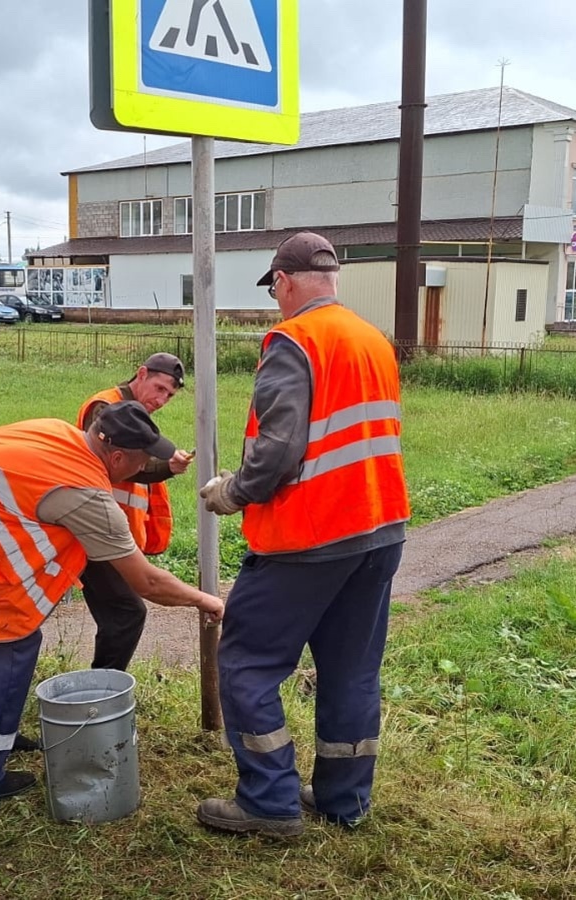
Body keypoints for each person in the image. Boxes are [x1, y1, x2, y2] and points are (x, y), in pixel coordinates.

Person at [0, 401, 224, 807]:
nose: (145, 469)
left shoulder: (59, 432)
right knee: (5, 638)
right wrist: (206, 600)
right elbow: (146, 581)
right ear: (115, 456)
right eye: (142, 462)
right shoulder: (87, 496)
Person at [194, 232, 409, 837]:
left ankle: (269, 802)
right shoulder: (372, 340)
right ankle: (344, 800)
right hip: (379, 526)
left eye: (274, 291)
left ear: (283, 282)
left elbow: (281, 448)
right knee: (351, 671)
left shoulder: (294, 340)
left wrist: (233, 491)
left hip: (309, 537)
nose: (275, 301)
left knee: (245, 664)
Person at [75, 352, 193, 670]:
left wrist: (166, 465)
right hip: (95, 532)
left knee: (122, 615)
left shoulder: (131, 410)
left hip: (108, 533)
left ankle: (102, 690)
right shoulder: (106, 408)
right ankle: (103, 691)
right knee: (127, 614)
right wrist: (165, 466)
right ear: (141, 374)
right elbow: (122, 463)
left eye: (169, 395)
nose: (163, 399)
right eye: (159, 388)